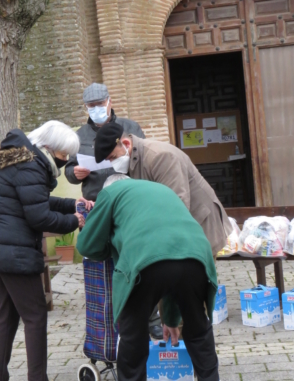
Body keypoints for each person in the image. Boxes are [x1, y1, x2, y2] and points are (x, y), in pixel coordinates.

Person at [0, 121, 92, 381]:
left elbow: (36, 199)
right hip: (14, 254)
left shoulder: (18, 161)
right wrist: (74, 220)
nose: (65, 161)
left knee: (5, 315)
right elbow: (39, 217)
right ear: (49, 149)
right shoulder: (31, 167)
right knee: (36, 316)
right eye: (64, 156)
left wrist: (72, 203)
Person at [77, 175, 219, 381]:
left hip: (143, 260)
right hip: (196, 255)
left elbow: (86, 246)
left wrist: (111, 247)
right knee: (198, 332)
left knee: (134, 338)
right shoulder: (161, 189)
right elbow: (171, 259)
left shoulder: (110, 192)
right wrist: (170, 320)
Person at [63, 83, 166, 339]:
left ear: (109, 101)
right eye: (91, 106)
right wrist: (74, 174)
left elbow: (143, 159)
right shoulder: (79, 136)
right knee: (103, 265)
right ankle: (110, 320)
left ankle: (152, 316)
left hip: (129, 204)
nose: (96, 109)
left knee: (138, 261)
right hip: (96, 206)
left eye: (100, 104)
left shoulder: (130, 127)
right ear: (85, 107)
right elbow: (68, 169)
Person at [94, 122, 232, 256]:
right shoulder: (132, 158)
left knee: (198, 275)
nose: (113, 163)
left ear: (126, 144)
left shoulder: (160, 157)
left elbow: (177, 203)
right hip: (177, 227)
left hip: (199, 223)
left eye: (113, 157)